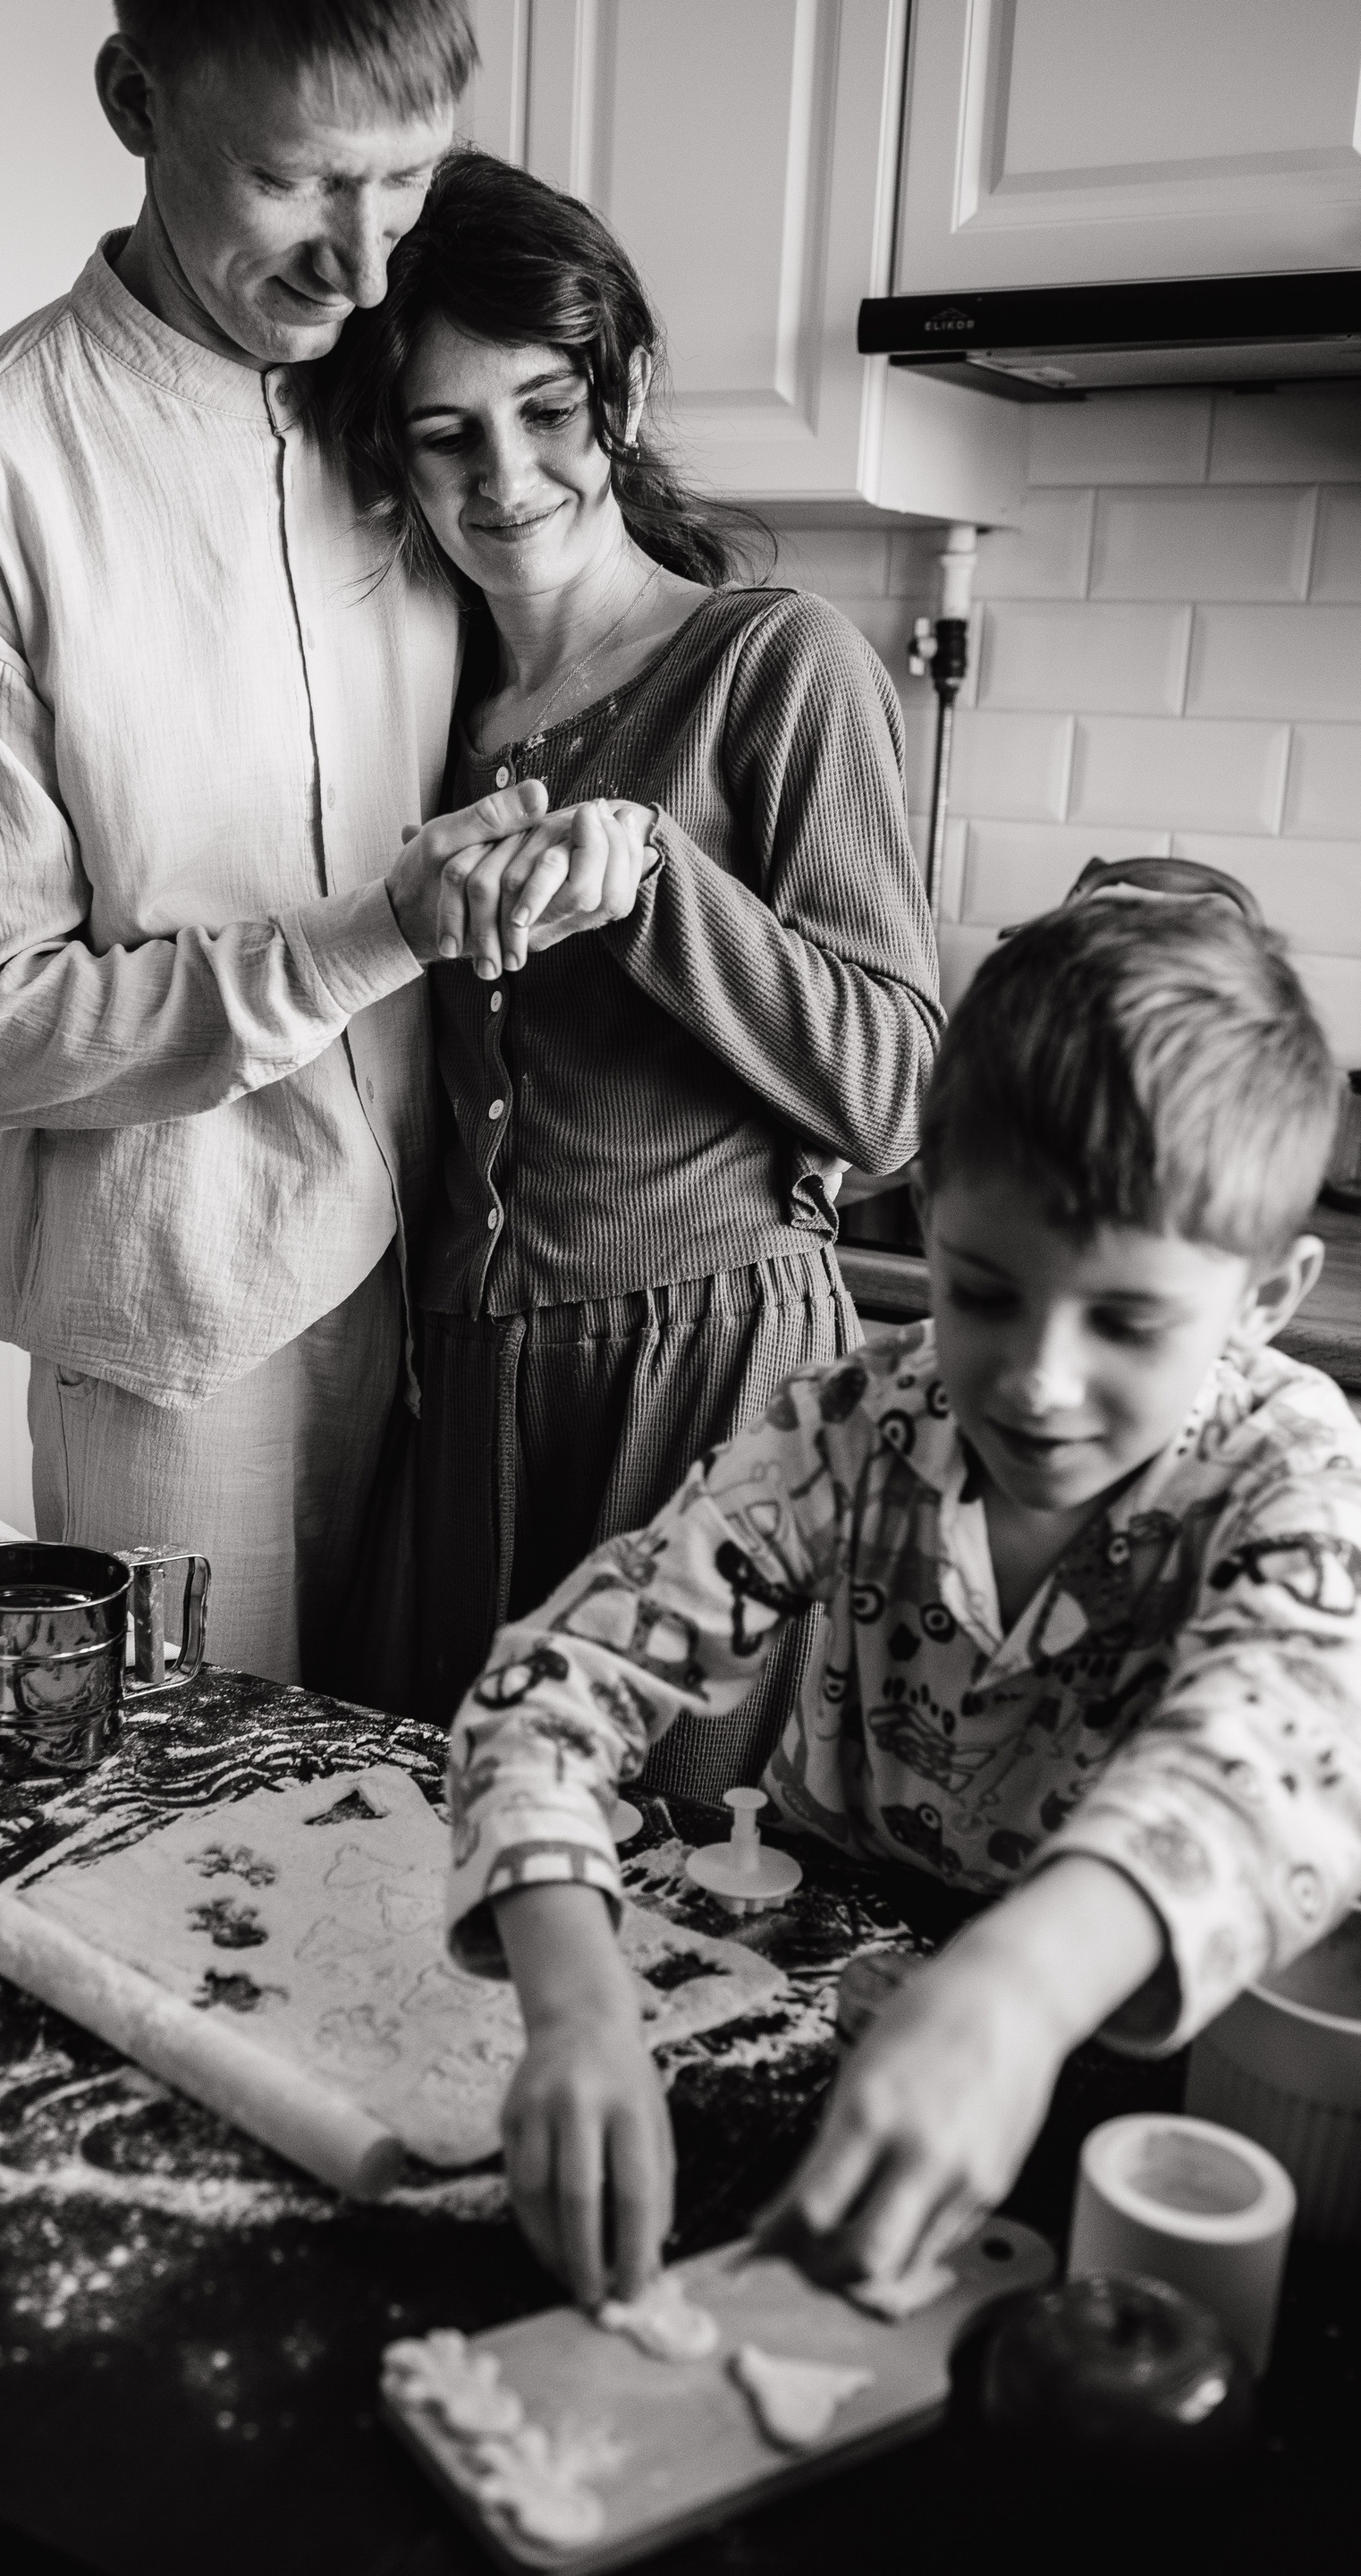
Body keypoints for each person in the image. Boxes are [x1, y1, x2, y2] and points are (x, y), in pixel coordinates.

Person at [0, 4, 646, 1706]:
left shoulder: (400, 405)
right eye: (295, 180)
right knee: (186, 1822)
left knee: (415, 1811)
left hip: (460, 1285)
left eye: (407, 180)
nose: (363, 265)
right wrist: (377, 933)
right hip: (183, 1327)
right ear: (135, 101)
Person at [441, 892, 1361, 2308]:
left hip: (1143, 2056)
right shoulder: (855, 1425)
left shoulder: (1288, 1469)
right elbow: (555, 1688)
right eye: (984, 1294)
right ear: (928, 1220)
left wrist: (1017, 1993)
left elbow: (1282, 1748)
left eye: (1127, 1322)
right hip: (824, 1996)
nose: (1038, 1382)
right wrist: (575, 2005)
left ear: (1266, 1297)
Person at [325, 153, 942, 1793]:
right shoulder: (425, 719)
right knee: (441, 1849)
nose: (506, 475)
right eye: (446, 433)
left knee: (691, 1877)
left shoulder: (775, 663)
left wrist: (659, 878)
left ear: (629, 389)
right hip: (467, 1395)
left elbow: (895, 1102)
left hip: (710, 1390)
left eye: (548, 410)